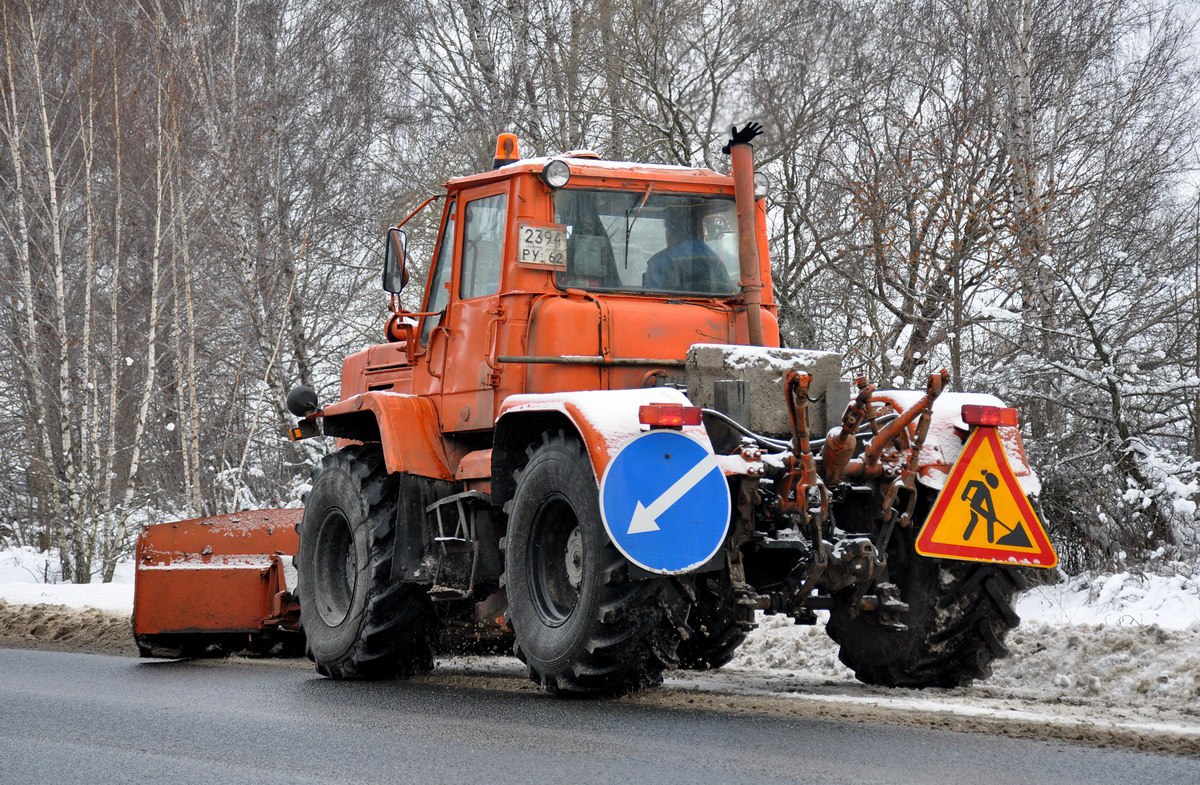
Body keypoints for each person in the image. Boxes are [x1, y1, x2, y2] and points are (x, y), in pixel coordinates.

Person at [643, 208, 730, 293]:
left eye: (666, 229)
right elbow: (727, 291)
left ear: (671, 231)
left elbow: (650, 299)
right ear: (696, 228)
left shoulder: (659, 261)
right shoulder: (715, 259)